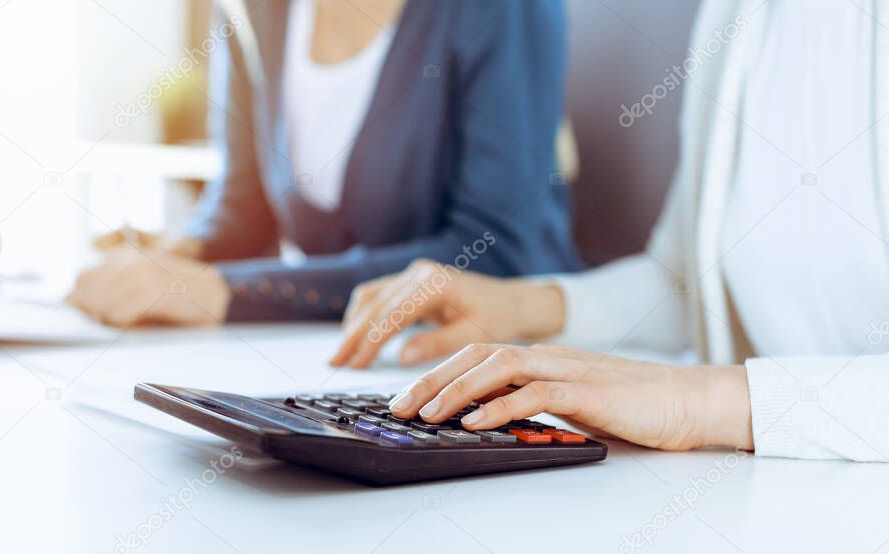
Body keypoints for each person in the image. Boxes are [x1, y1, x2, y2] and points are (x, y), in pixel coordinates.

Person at [331, 0, 889, 461]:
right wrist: (527, 308)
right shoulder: (739, 15)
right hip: (780, 490)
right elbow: (685, 281)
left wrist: (706, 401)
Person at [68, 0, 580, 327]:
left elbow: (494, 254)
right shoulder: (251, 12)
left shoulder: (504, 9)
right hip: (342, 365)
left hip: (502, 368)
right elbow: (244, 207)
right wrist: (184, 252)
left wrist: (232, 292)